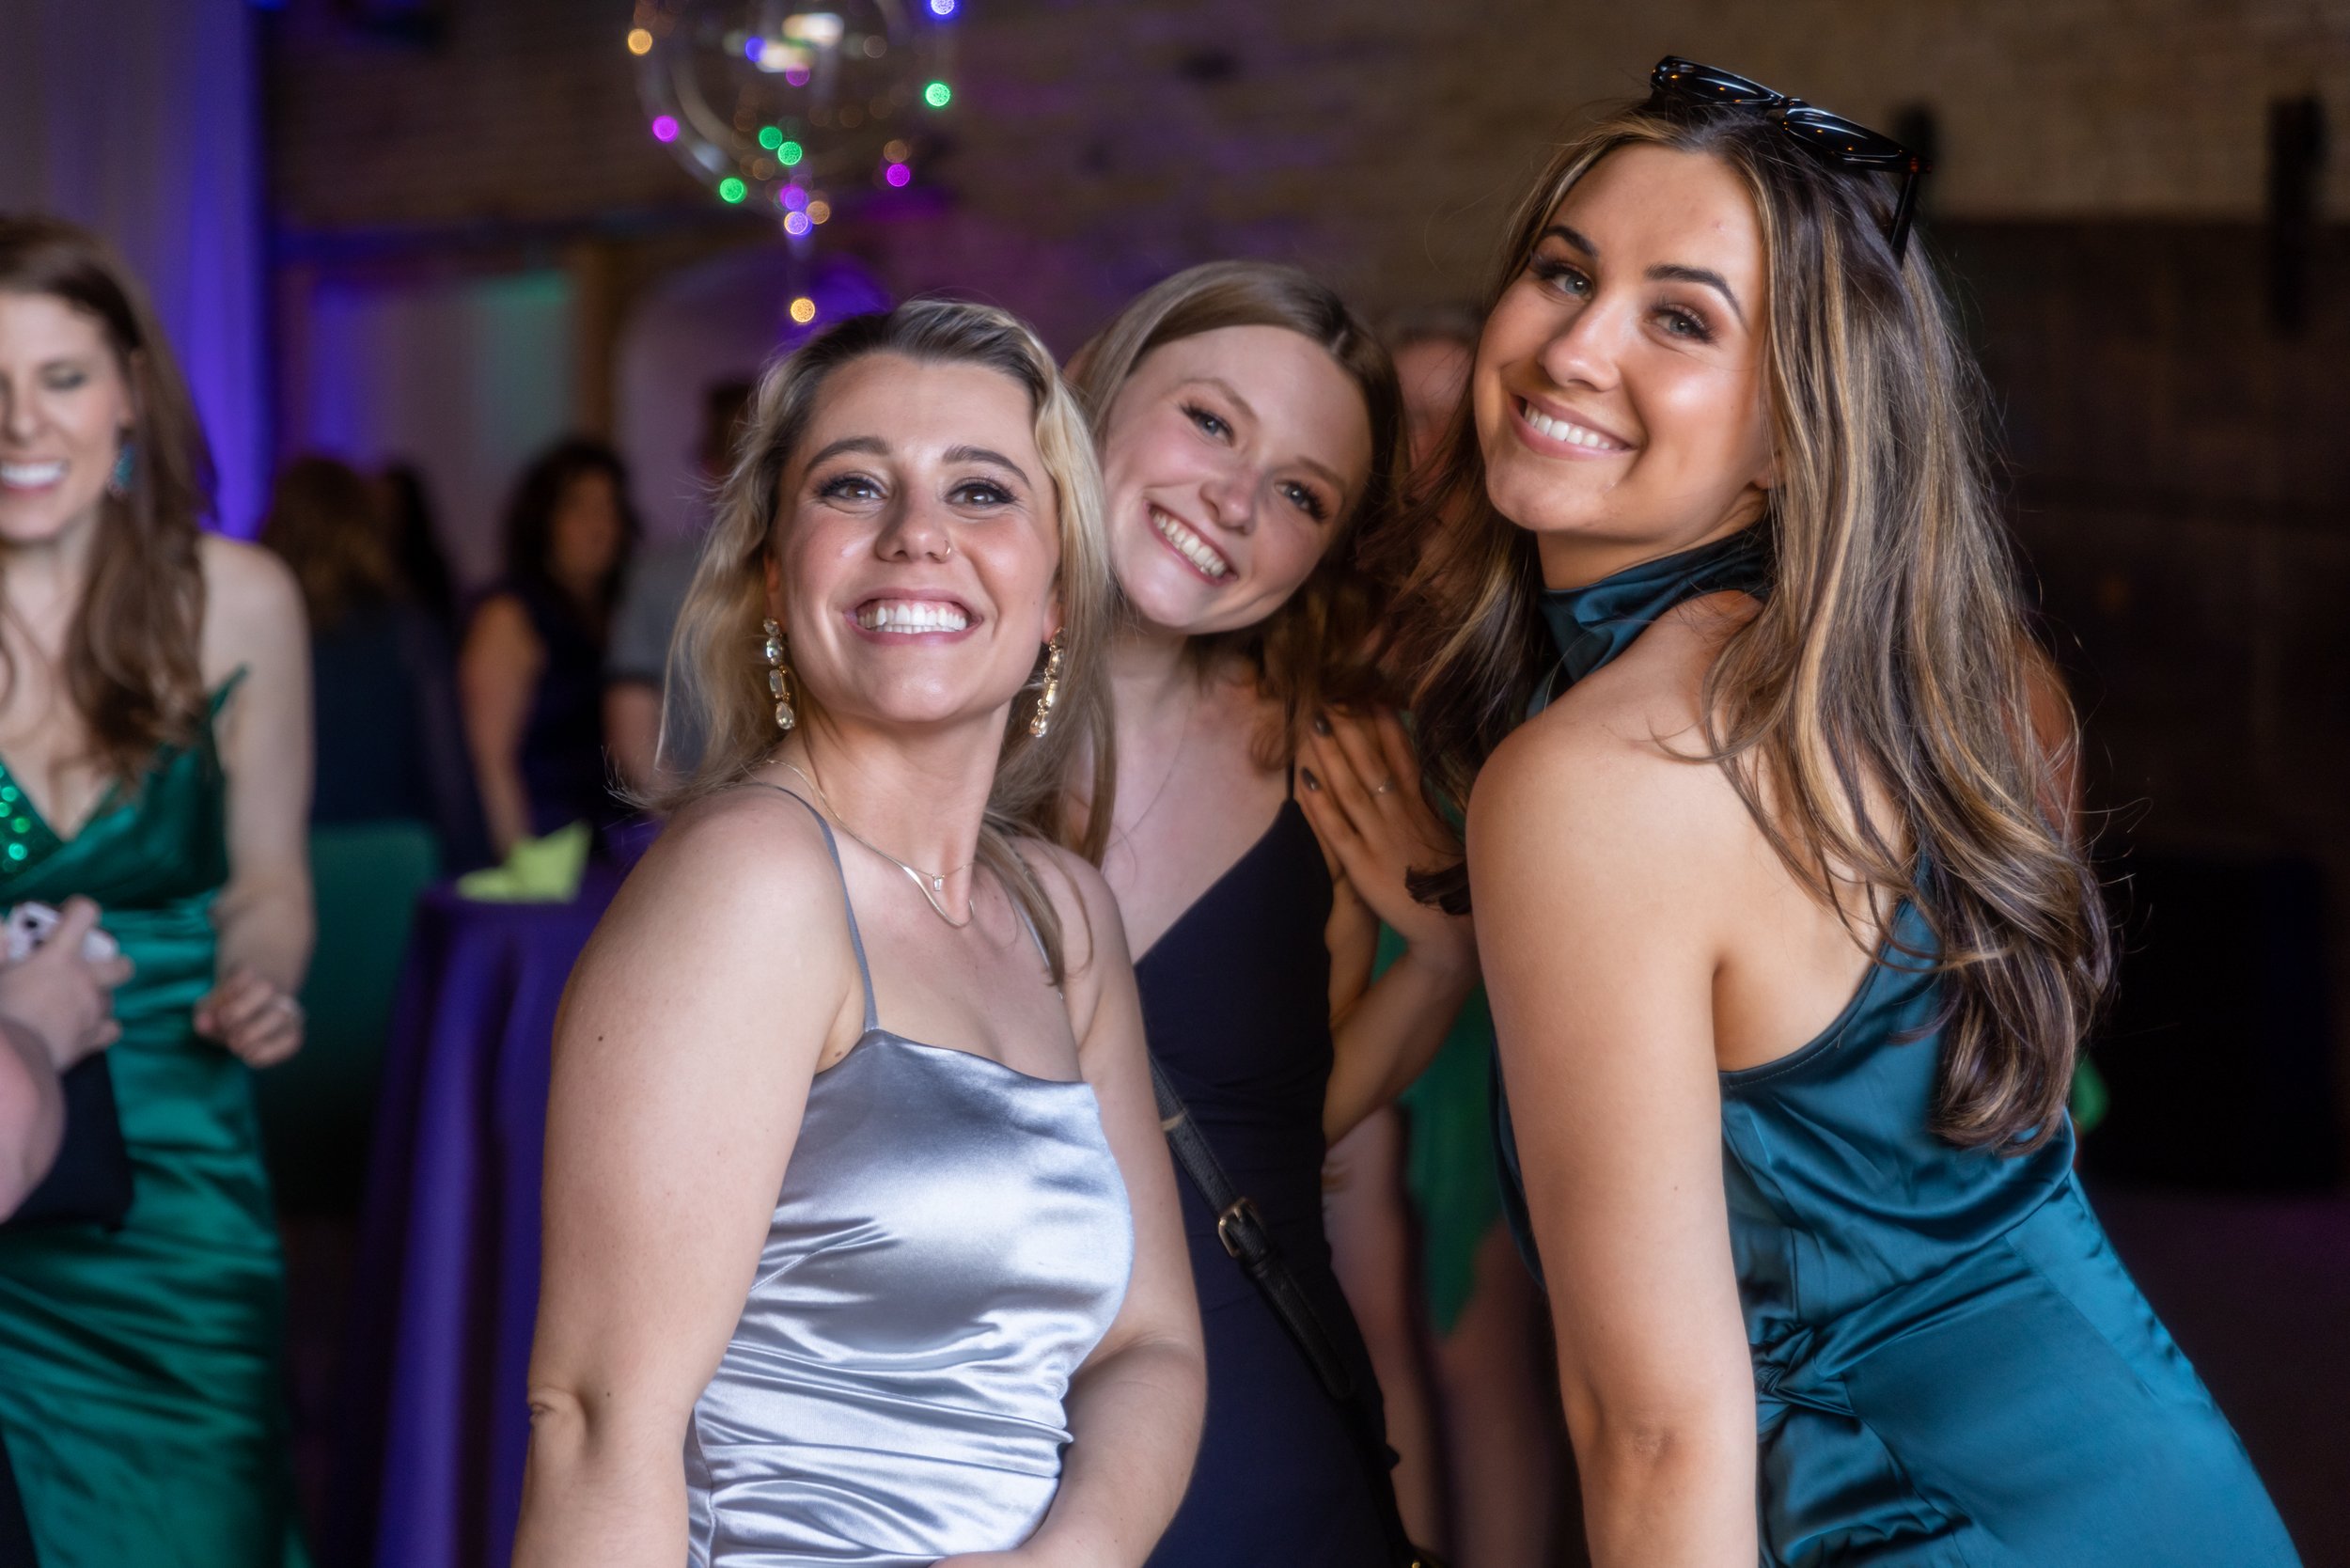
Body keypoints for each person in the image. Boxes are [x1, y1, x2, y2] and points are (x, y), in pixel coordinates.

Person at [1395, 60, 2301, 1567]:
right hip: (2156, 1477)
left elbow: (1659, 1432)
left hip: (1915, 1519)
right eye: (1564, 271)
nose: (1572, 345)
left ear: (1794, 422)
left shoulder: (1594, 786)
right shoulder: (1962, 674)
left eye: (1681, 317)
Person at [516, 300, 1205, 1567]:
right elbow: (598, 1426)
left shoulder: (1064, 914)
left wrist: (1075, 1556)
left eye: (984, 492)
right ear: (777, 578)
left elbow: (1150, 1347)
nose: (918, 536)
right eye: (854, 486)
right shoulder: (751, 879)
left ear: (1057, 593)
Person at [1058, 260, 1475, 1567]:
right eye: (1211, 421)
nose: (1235, 500)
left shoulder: (1322, 761)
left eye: (1299, 493)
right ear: (1105, 397)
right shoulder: (918, 708)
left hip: (1257, 1464)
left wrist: (1447, 960)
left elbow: (1272, 1121)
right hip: (960, 1450)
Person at [0, 214, 314, 1566]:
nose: (22, 423)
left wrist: (265, 977)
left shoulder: (237, 601)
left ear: (128, 388)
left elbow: (268, 882)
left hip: (176, 1161)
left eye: (61, 378)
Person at [1323, 302, 1559, 1567]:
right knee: (1366, 1333)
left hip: (1494, 1027)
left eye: (1449, 420)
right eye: (1401, 417)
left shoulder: (1530, 625)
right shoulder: (1322, 604)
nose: (1424, 451)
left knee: (1480, 1349)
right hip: (1356, 996)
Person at [260, 454, 489, 870]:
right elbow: (450, 780)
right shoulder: (409, 631)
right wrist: (477, 877)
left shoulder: (255, 632)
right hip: (388, 867)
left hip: (277, 866)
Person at [459, 437, 636, 855]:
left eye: (610, 508)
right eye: (580, 508)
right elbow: (490, 761)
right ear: (544, 520)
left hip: (612, 839)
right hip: (545, 846)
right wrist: (522, 864)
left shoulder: (620, 611)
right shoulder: (508, 615)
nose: (601, 525)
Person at [604, 380, 754, 798]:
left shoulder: (825, 566)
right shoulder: (660, 575)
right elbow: (632, 723)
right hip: (703, 811)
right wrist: (684, 821)